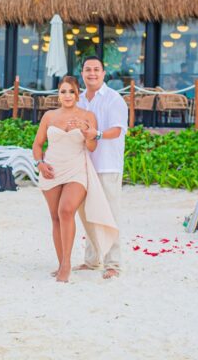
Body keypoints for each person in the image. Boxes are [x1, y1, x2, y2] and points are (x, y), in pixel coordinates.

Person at [33, 76, 118, 283]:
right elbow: (37, 145)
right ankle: (61, 261)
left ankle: (67, 265)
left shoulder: (87, 115)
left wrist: (85, 131)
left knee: (66, 210)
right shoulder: (49, 117)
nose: (67, 95)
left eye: (71, 91)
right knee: (55, 217)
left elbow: (91, 147)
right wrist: (40, 164)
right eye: (63, 91)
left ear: (77, 94)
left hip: (76, 169)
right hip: (52, 169)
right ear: (58, 95)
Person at [74, 56, 128, 279]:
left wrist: (96, 134)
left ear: (104, 74)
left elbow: (117, 130)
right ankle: (92, 260)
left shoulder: (114, 99)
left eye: (96, 70)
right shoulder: (78, 101)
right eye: (88, 70)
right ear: (82, 73)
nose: (92, 73)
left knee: (109, 216)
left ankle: (113, 263)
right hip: (83, 166)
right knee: (87, 214)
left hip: (107, 166)